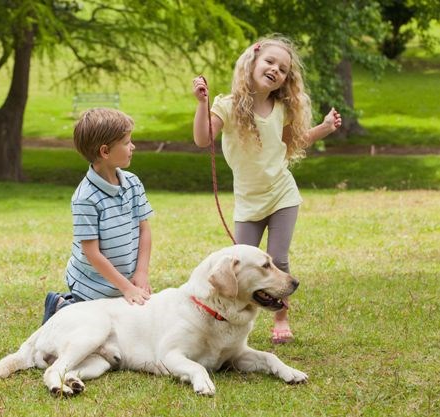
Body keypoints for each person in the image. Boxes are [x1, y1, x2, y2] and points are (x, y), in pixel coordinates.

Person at [191, 35, 342, 344]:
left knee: (278, 259)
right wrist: (202, 104)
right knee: (239, 266)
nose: (275, 69)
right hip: (248, 201)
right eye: (270, 62)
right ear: (253, 62)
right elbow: (202, 138)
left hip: (281, 192)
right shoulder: (228, 106)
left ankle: (281, 317)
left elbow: (292, 143)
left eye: (283, 69)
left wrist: (324, 128)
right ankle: (231, 320)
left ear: (286, 80)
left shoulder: (281, 109)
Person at [42, 108, 154, 324]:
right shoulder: (85, 198)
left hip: (124, 282)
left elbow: (144, 229)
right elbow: (92, 253)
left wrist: (141, 273)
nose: (133, 147)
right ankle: (62, 306)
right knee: (93, 329)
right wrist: (127, 288)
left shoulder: (133, 183)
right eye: (127, 142)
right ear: (105, 151)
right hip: (92, 286)